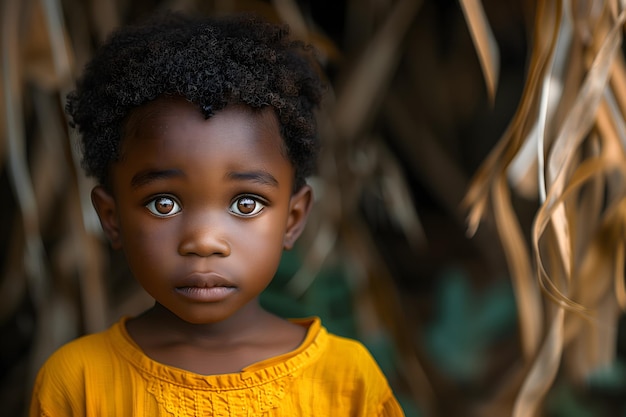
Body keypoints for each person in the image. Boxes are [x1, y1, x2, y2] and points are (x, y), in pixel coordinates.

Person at [29, 10, 405, 417]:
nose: (204, 240)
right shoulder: (79, 382)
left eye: (246, 204)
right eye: (163, 203)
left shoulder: (347, 382)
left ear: (293, 219)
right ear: (112, 216)